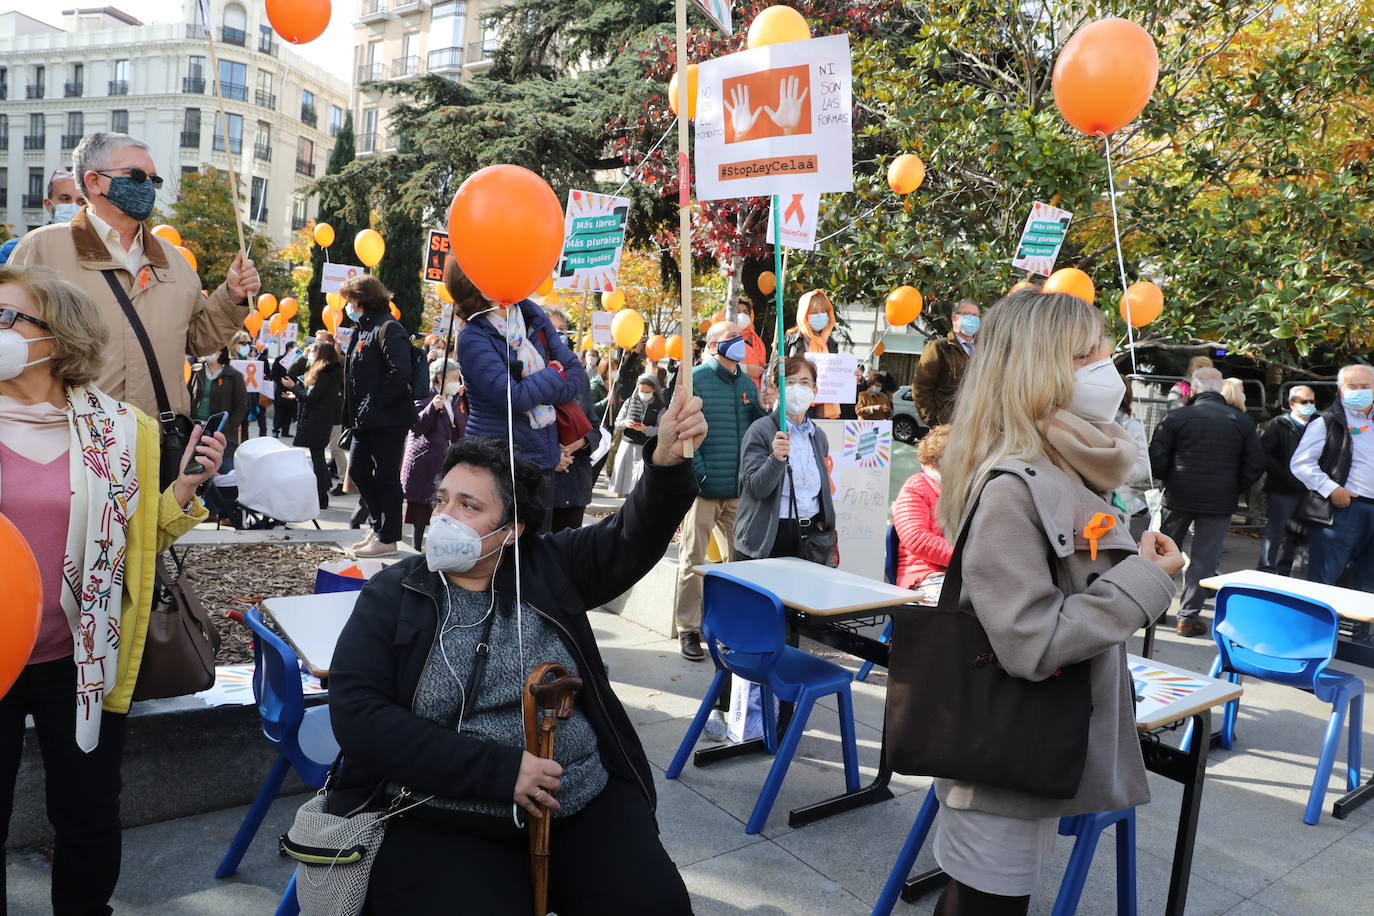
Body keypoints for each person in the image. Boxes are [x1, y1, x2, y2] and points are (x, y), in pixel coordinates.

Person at [325, 393, 705, 914]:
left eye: (469, 505)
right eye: (442, 500)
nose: (444, 517)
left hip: (581, 800)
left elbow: (629, 536)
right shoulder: (394, 595)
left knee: (652, 903)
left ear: (512, 531)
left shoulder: (550, 568)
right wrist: (501, 772)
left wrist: (663, 465)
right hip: (443, 814)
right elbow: (359, 718)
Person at [923, 288, 1181, 913]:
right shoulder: (1016, 482)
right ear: (1040, 367)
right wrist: (1145, 580)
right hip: (1011, 751)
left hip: (1042, 739)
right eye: (1086, 351)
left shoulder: (1067, 464)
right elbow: (1029, 638)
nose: (1106, 360)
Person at [0, 265, 224, 915]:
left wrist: (180, 495)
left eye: (10, 318)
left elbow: (133, 541)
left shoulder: (123, 429)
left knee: (89, 817)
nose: (0, 331)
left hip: (82, 659)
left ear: (57, 335)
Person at [8, 132, 259, 424]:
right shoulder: (42, 249)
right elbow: (11, 346)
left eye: (153, 179)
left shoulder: (173, 260)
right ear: (94, 181)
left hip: (157, 445)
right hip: (73, 443)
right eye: (137, 175)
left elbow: (197, 340)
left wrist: (230, 296)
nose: (148, 186)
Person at [445, 259, 587, 534]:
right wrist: (556, 372)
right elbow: (514, 398)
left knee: (534, 551)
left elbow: (577, 378)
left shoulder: (533, 318)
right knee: (498, 551)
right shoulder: (473, 337)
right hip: (497, 460)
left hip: (542, 460)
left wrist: (544, 380)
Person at [1148, 367, 1265, 636]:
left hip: (1178, 495)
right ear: (1220, 387)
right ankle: (1188, 617)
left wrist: (1168, 479)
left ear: (1195, 388)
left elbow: (1158, 455)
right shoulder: (1241, 420)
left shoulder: (1178, 416)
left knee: (1166, 551)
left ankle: (1156, 610)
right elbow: (1255, 463)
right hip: (1219, 499)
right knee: (1204, 559)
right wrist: (1236, 486)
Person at [673, 321, 766, 659]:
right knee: (692, 562)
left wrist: (764, 403)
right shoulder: (695, 378)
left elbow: (757, 426)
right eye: (731, 338)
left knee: (738, 564)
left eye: (741, 337)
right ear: (713, 345)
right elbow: (684, 433)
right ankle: (688, 629)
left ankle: (729, 626)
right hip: (704, 490)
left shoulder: (745, 382)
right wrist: (699, 474)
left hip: (738, 490)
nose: (739, 342)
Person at [341, 274, 419, 558]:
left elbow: (400, 373)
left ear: (362, 298)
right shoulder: (361, 329)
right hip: (365, 420)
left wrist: (372, 405)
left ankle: (388, 536)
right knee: (359, 471)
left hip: (388, 418)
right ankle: (378, 527)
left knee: (387, 476)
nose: (346, 306)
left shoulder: (389, 328)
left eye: (349, 299)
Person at [735, 355, 836, 561]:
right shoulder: (761, 430)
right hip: (768, 537)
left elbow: (821, 488)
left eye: (805, 382)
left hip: (809, 538)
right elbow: (755, 487)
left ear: (815, 391)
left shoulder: (818, 436)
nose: (797, 388)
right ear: (779, 390)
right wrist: (775, 459)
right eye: (790, 382)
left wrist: (824, 523)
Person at [1291, 364, 1374, 591]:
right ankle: (1317, 627)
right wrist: (1332, 489)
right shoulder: (1326, 422)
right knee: (1324, 581)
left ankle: (1363, 628)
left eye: (1365, 386)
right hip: (1343, 510)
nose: (1359, 391)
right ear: (1340, 390)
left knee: (1369, 585)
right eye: (1352, 386)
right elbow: (1301, 463)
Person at [400, 359, 466, 549]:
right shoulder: (425, 395)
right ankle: (416, 547)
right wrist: (432, 408)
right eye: (454, 378)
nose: (457, 381)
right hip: (426, 461)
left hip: (447, 459)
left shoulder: (456, 398)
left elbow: (460, 425)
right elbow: (416, 426)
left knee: (443, 507)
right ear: (440, 378)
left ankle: (436, 547)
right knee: (421, 510)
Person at [546, 308, 601, 533]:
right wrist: (551, 456)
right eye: (551, 329)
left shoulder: (578, 377)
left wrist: (580, 442)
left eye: (561, 330)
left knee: (566, 558)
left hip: (573, 487)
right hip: (538, 489)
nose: (557, 335)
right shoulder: (520, 374)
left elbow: (595, 428)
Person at [1257, 385, 1317, 575]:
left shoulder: (1318, 424)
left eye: (1312, 401)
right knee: (1275, 532)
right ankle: (1266, 569)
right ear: (1292, 404)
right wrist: (1284, 473)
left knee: (1297, 533)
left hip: (1307, 489)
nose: (1309, 405)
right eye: (1304, 401)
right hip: (1281, 488)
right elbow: (1264, 453)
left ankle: (1285, 571)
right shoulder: (1279, 425)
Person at [187, 345, 248, 525]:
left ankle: (228, 511)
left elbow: (240, 406)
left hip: (222, 430)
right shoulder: (195, 370)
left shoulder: (233, 375)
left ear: (221, 352)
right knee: (199, 468)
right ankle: (209, 510)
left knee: (224, 470)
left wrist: (229, 425)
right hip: (197, 426)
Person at [892, 424, 954, 590]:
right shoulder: (916, 487)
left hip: (956, 572)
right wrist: (961, 556)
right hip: (923, 576)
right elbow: (916, 538)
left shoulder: (956, 489)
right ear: (940, 458)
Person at [291, 341, 345, 511]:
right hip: (322, 420)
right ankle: (322, 493)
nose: (312, 354)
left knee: (317, 458)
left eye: (315, 351)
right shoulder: (332, 373)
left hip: (317, 421)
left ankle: (322, 494)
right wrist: (298, 394)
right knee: (318, 456)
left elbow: (312, 398)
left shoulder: (324, 374)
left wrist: (293, 388)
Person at [914, 299, 979, 426]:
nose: (973, 319)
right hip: (948, 426)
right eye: (967, 315)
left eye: (975, 316)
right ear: (955, 319)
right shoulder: (939, 347)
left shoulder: (984, 350)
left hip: (977, 425)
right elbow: (921, 388)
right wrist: (934, 421)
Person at [0, 170, 87, 264]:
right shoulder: (14, 250)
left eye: (81, 201)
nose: (73, 207)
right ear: (48, 205)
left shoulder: (100, 252)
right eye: (65, 199)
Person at [786, 290, 841, 419]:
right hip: (797, 403)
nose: (820, 315)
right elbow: (778, 371)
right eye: (814, 312)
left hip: (823, 406)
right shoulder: (790, 341)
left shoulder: (831, 344)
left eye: (823, 311)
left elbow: (835, 372)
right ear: (804, 315)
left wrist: (849, 376)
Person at [609, 375, 665, 497]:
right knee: (624, 480)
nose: (644, 394)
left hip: (646, 448)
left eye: (647, 392)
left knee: (639, 483)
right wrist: (626, 423)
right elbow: (617, 423)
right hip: (627, 445)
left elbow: (661, 430)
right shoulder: (629, 401)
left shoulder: (660, 407)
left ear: (654, 390)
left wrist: (646, 429)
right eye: (641, 391)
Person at [1114, 378, 1154, 539]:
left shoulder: (1131, 426)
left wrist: (1108, 470)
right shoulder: (1082, 420)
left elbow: (1143, 468)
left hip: (1117, 506)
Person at [271, 338, 304, 438]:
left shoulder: (297, 361)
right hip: (281, 389)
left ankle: (286, 431)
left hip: (293, 388)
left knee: (290, 411)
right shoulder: (279, 360)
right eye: (294, 347)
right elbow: (274, 374)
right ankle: (276, 430)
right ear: (289, 348)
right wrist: (281, 383)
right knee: (279, 411)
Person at [734, 298, 768, 389]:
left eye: (745, 312)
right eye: (737, 312)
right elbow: (716, 364)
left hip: (756, 393)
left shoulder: (755, 339)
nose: (741, 315)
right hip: (735, 392)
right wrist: (745, 369)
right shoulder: (722, 336)